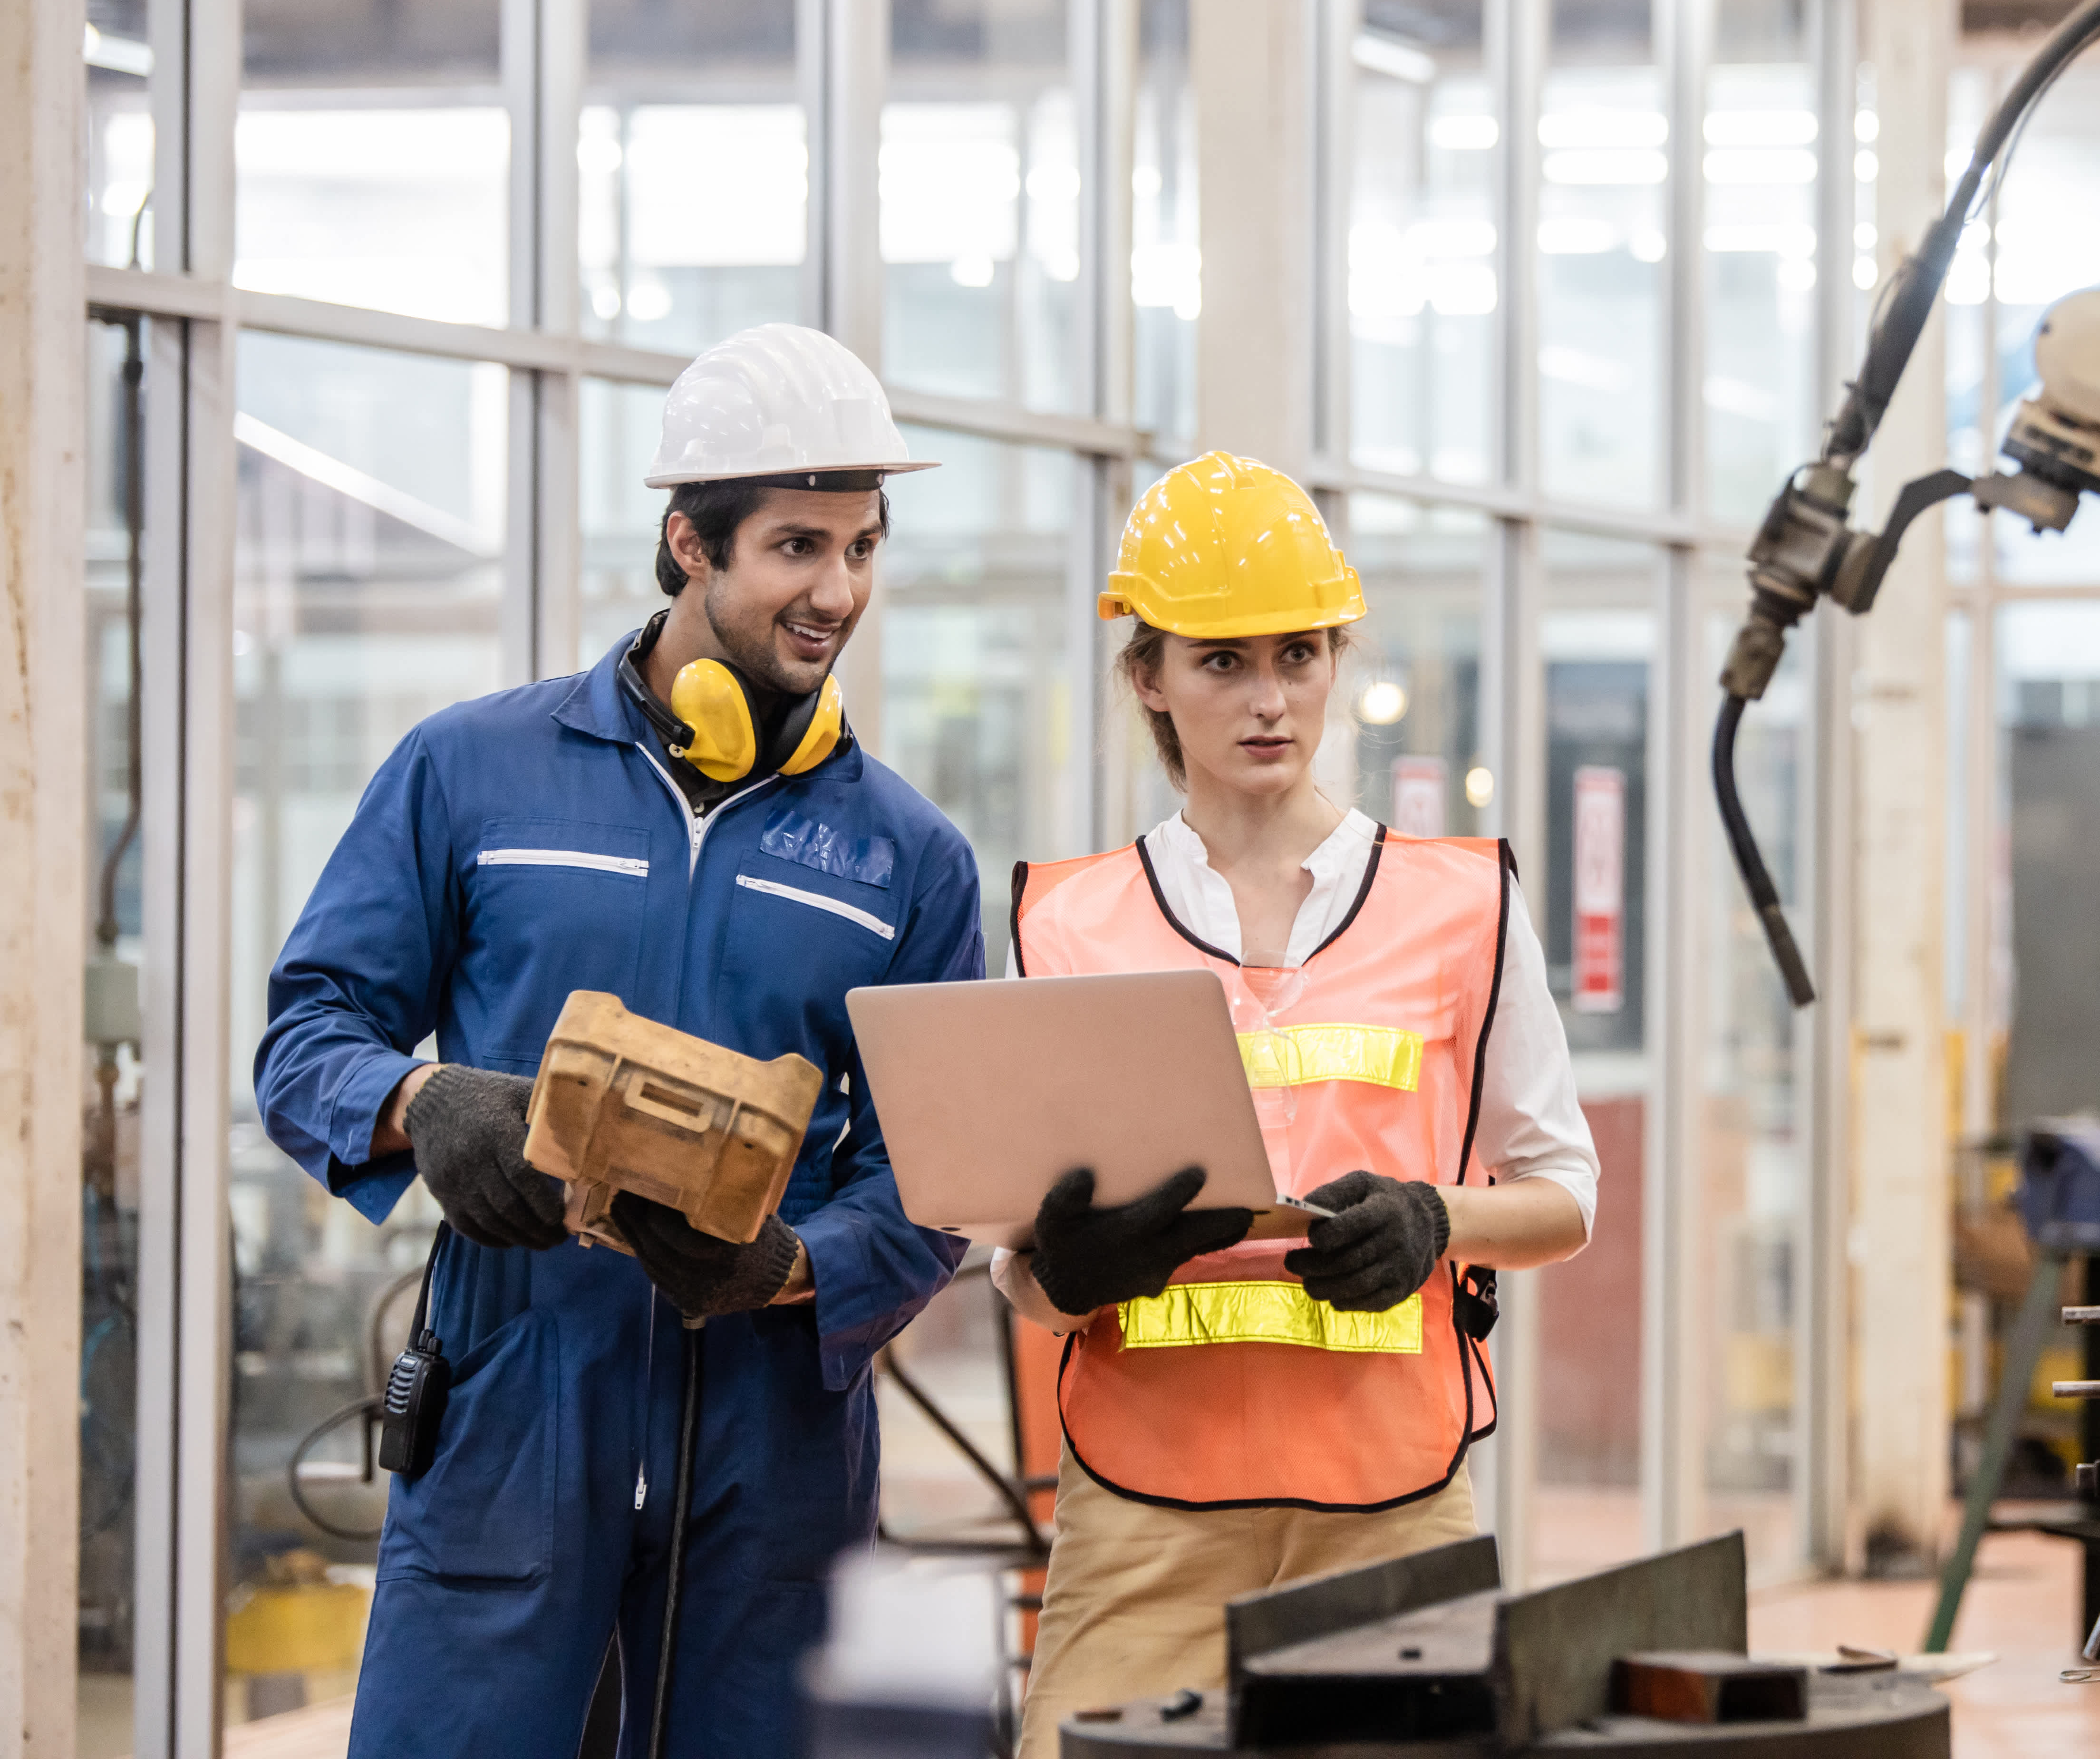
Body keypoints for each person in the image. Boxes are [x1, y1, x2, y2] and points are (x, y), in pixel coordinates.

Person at [255, 324, 985, 1758]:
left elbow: (932, 1182)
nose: (836, 590)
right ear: (689, 546)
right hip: (512, 1430)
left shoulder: (910, 859)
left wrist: (791, 1269)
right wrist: (425, 1103)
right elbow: (307, 1036)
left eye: (861, 548)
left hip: (772, 1466)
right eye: (794, 548)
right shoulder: (473, 773)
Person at [999, 451, 1598, 1758]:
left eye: (1300, 654)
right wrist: (1065, 1272)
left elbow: (1565, 1199)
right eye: (1222, 661)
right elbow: (1022, 1279)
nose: (1271, 699)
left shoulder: (1464, 905)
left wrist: (1436, 1221)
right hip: (1147, 1509)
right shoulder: (1067, 922)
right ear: (1147, 677)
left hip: (1393, 1505)